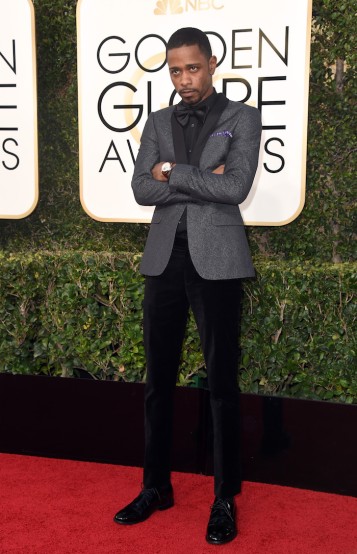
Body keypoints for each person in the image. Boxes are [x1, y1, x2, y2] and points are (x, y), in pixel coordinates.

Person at [114, 27, 262, 545]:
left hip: (218, 259)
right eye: (175, 70)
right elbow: (138, 188)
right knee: (158, 382)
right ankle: (156, 486)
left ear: (212, 63)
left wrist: (171, 171)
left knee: (222, 382)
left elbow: (236, 186)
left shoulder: (242, 117)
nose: (183, 79)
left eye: (192, 68)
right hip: (163, 259)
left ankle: (224, 497)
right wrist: (199, 175)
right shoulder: (156, 120)